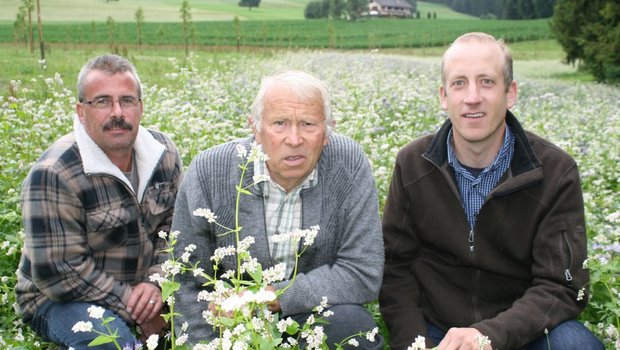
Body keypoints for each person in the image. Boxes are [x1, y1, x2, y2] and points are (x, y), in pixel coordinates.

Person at [380, 32, 603, 350]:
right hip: (436, 330)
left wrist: (488, 336)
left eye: (486, 82)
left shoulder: (556, 171)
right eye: (459, 83)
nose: (472, 97)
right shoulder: (413, 163)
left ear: (510, 93)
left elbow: (561, 286)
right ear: (444, 96)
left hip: (522, 331)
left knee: (578, 346)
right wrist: (414, 343)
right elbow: (395, 268)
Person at [171, 70, 384, 348]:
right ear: (255, 129)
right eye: (279, 123)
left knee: (353, 328)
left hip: (313, 315)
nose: (294, 139)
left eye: (308, 124)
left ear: (327, 131)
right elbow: (185, 278)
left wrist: (271, 296)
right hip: (231, 322)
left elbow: (362, 271)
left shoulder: (349, 164)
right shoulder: (210, 171)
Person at [15, 54, 183, 349]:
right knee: (112, 342)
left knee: (209, 319)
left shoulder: (164, 153)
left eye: (127, 100)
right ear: (81, 111)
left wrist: (157, 285)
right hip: (60, 299)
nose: (117, 112)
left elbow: (175, 230)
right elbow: (58, 272)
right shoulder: (55, 172)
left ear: (140, 107)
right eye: (102, 101)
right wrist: (133, 304)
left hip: (145, 291)